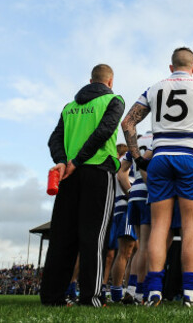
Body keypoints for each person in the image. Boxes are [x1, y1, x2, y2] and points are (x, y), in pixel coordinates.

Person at [121, 47, 193, 307]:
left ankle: (154, 291)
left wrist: (137, 158)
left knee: (159, 227)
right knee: (191, 228)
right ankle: (190, 294)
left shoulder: (153, 88)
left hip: (159, 158)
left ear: (171, 67)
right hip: (190, 157)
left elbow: (127, 123)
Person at [42, 64, 125, 307]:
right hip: (97, 171)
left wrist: (62, 162)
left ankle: (51, 297)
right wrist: (78, 161)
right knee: (94, 237)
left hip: (67, 175)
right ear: (110, 82)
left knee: (61, 238)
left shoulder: (69, 107)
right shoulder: (113, 100)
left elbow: (54, 139)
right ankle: (91, 298)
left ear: (91, 81)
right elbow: (104, 131)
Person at [121, 132, 153, 304]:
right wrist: (153, 188)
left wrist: (129, 190)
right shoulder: (158, 139)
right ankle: (141, 291)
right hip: (148, 194)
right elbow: (145, 167)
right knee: (147, 247)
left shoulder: (138, 141)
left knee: (140, 246)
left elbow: (121, 172)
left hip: (134, 195)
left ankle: (131, 289)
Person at [109, 144, 138, 303]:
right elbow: (122, 177)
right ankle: (116, 293)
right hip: (126, 206)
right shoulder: (122, 164)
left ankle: (131, 291)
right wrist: (131, 195)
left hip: (125, 207)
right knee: (125, 251)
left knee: (137, 250)